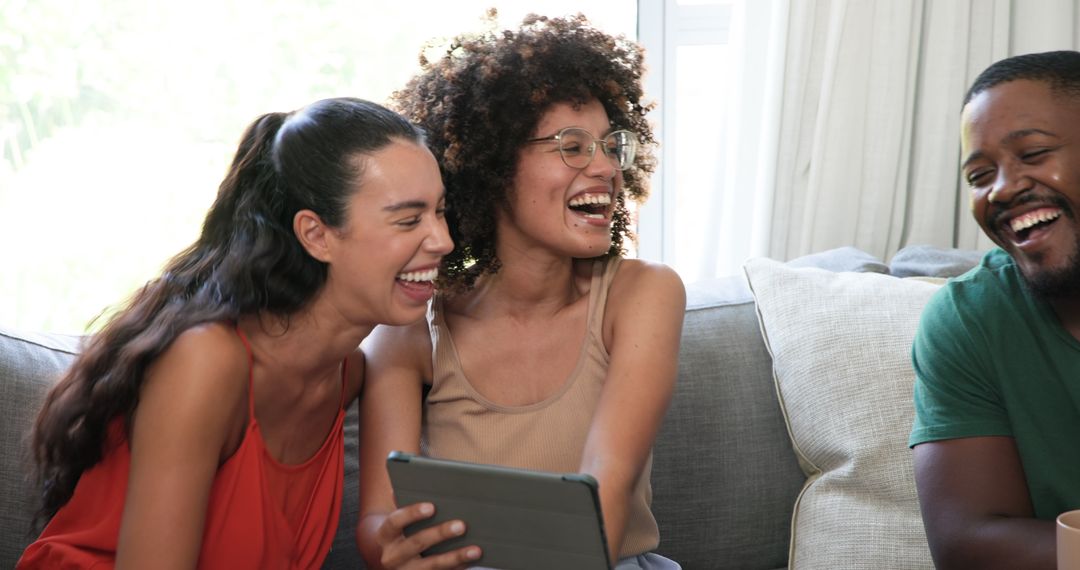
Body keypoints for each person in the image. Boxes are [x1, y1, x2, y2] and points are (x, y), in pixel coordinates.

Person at [17, 97, 452, 569]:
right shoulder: (206, 360)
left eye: (440, 212)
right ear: (317, 235)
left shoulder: (346, 374)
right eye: (409, 220)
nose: (442, 240)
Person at [356, 12, 686, 570]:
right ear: (494, 165)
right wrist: (391, 544)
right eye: (572, 145)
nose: (605, 168)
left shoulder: (642, 296)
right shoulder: (410, 330)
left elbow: (596, 521)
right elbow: (374, 520)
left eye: (612, 145)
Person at [909, 50, 1080, 569]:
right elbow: (968, 543)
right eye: (980, 175)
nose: (1001, 188)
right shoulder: (968, 319)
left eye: (1032, 153)